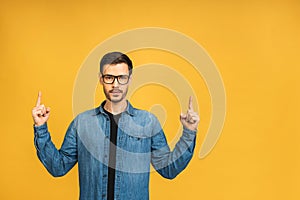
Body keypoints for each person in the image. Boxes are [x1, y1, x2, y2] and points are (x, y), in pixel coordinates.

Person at [32, 52, 200, 200]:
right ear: (101, 79)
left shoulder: (148, 122)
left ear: (129, 79)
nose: (115, 85)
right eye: (109, 77)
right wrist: (41, 128)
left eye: (122, 78)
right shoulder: (82, 123)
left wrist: (189, 133)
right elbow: (58, 167)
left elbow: (169, 169)